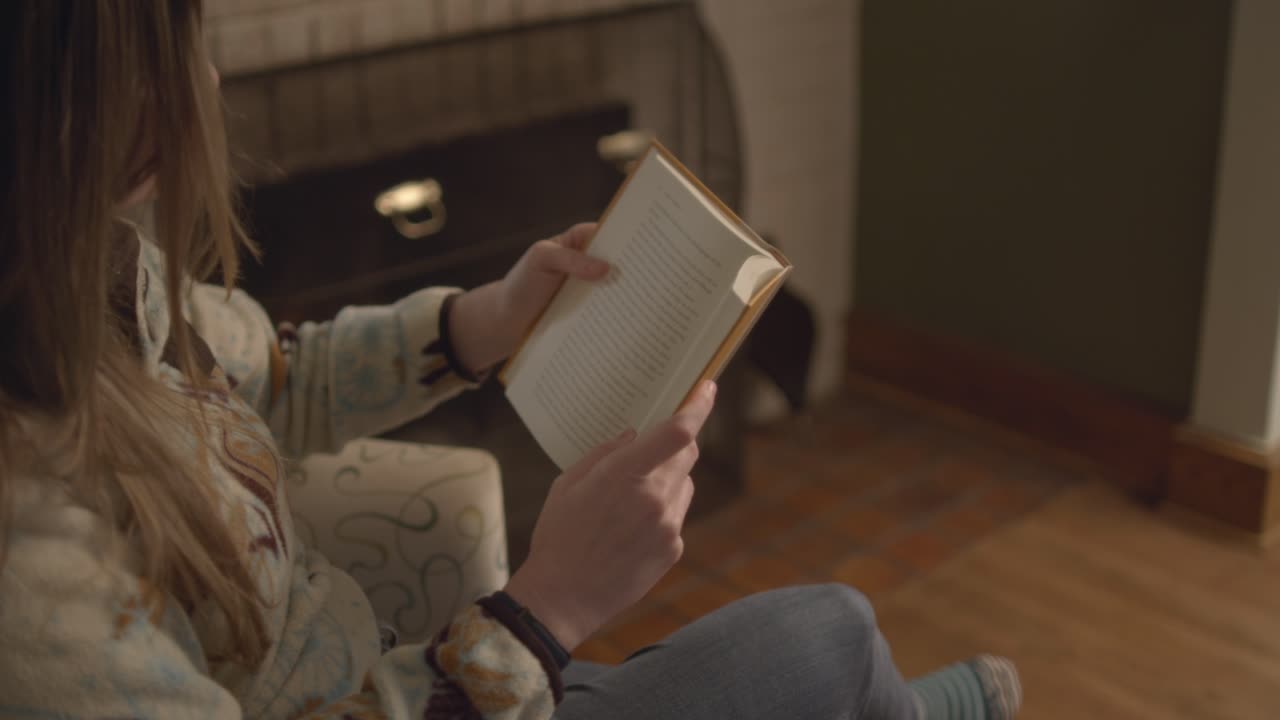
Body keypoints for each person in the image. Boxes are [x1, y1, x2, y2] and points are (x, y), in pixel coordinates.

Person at [0, 2, 1021, 718]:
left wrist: (480, 323)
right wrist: (548, 608)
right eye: (155, 58)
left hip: (400, 677)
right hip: (430, 693)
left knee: (824, 658)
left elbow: (276, 372)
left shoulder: (96, 276)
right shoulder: (29, 579)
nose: (207, 84)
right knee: (831, 633)